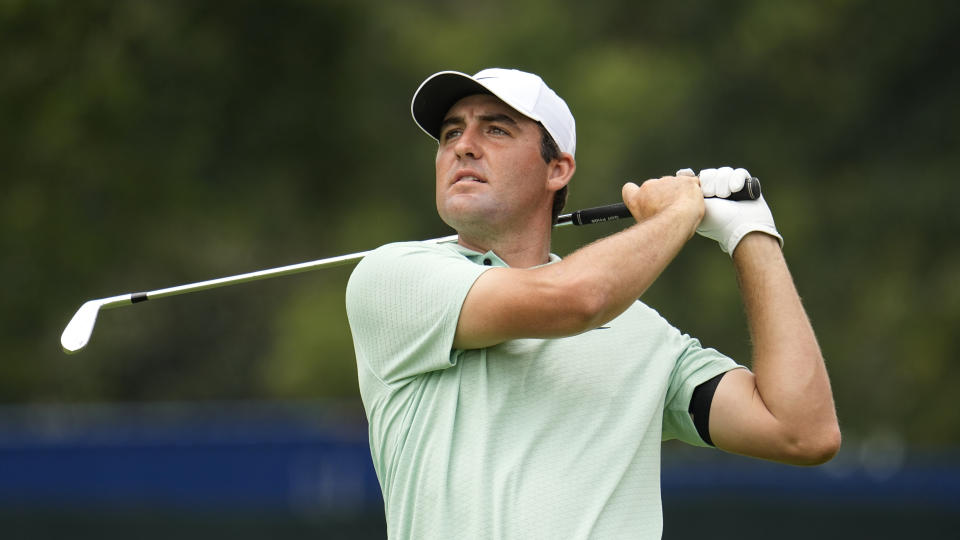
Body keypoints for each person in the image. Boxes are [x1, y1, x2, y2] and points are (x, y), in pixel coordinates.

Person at [345, 68, 840, 539]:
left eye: (495, 130)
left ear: (557, 168)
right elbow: (575, 299)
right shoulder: (394, 278)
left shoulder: (642, 334)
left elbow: (802, 431)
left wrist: (751, 233)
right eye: (451, 133)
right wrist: (675, 216)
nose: (464, 147)